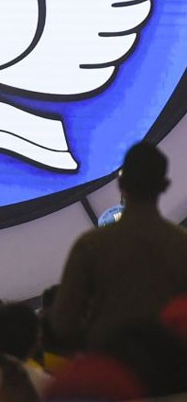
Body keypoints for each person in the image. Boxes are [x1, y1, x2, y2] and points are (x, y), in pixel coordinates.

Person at [51, 142, 187, 349]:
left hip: (109, 366)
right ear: (165, 185)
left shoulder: (90, 246)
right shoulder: (180, 244)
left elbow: (63, 323)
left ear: (121, 183)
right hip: (169, 370)